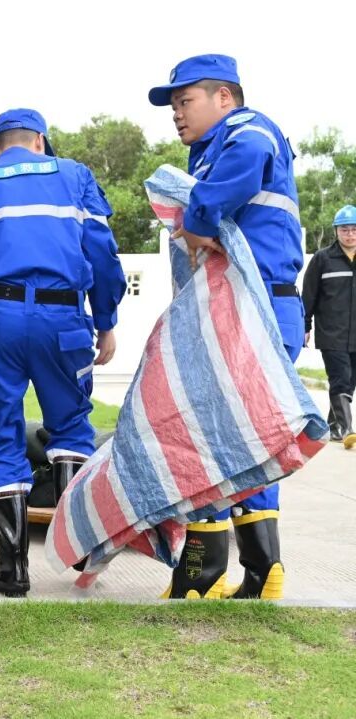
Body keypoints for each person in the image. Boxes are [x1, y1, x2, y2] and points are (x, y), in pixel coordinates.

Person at [0, 108, 125, 597]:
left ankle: (12, 570)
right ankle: (79, 550)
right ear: (40, 141)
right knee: (71, 428)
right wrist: (105, 320)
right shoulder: (75, 176)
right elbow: (102, 254)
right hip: (61, 320)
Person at [149, 54, 303, 600]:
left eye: (184, 100)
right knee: (244, 441)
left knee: (213, 437)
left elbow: (250, 155)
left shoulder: (248, 129)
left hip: (256, 308)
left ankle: (203, 574)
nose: (176, 113)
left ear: (224, 97)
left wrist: (198, 218)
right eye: (173, 105)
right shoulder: (211, 152)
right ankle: (261, 572)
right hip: (247, 307)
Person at [303, 205, 356, 449]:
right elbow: (309, 296)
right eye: (345, 229)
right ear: (336, 231)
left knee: (349, 382)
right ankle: (347, 429)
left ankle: (334, 427)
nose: (350, 234)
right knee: (341, 379)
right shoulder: (322, 259)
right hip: (331, 333)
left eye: (354, 229)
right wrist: (305, 326)